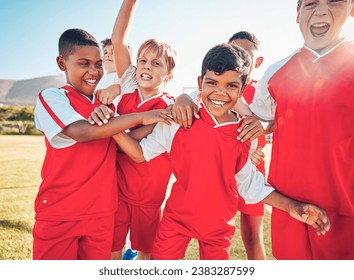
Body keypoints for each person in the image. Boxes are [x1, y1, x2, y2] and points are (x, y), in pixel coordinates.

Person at [110, 43, 330, 260]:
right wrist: (110, 127)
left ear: (242, 90)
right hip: (175, 220)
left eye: (231, 86)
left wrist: (293, 206)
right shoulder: (180, 121)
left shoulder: (244, 134)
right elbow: (140, 153)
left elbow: (251, 186)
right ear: (200, 83)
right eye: (212, 83)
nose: (220, 92)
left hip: (218, 228)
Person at [32, 28, 173, 260]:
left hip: (103, 214)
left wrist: (169, 109)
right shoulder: (53, 97)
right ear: (61, 63)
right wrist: (140, 118)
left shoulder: (107, 105)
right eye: (83, 63)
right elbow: (83, 132)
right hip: (60, 212)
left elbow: (126, 144)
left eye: (98, 64)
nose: (93, 71)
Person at [240, 0, 354, 260]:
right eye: (311, 3)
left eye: (334, 2)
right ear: (298, 13)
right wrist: (187, 99)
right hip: (289, 212)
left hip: (345, 216)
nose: (321, 10)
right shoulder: (275, 73)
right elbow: (256, 120)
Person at [91, 0, 176, 260]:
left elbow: (136, 152)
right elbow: (118, 41)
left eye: (156, 64)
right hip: (116, 188)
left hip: (148, 194)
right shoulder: (129, 84)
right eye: (143, 61)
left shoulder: (168, 107)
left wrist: (109, 125)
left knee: (145, 255)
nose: (147, 66)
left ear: (169, 76)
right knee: (111, 250)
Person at [96, 37, 138, 260]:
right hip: (102, 148)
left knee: (126, 205)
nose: (110, 53)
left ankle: (129, 250)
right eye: (106, 51)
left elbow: (135, 85)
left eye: (115, 50)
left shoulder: (126, 78)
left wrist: (117, 86)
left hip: (124, 145)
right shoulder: (97, 80)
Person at [227, 31, 267, 260]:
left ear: (258, 61)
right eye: (235, 52)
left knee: (252, 236)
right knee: (216, 233)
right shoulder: (218, 85)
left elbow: (278, 120)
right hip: (222, 170)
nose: (241, 58)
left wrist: (263, 129)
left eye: (247, 55)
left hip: (253, 171)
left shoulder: (264, 89)